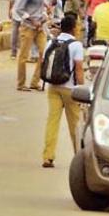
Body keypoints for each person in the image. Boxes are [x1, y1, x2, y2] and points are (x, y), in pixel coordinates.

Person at [41, 14, 84, 169]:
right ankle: (80, 157)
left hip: (53, 87)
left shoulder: (51, 42)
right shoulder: (76, 45)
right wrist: (82, 90)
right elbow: (79, 70)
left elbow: (43, 61)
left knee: (52, 121)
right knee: (75, 126)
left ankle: (48, 156)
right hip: (70, 89)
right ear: (73, 28)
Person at [15, 0, 48, 91]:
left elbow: (41, 9)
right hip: (28, 26)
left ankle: (35, 81)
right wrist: (31, 20)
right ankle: (21, 83)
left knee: (43, 53)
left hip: (39, 26)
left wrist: (44, 16)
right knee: (23, 56)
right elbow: (19, 9)